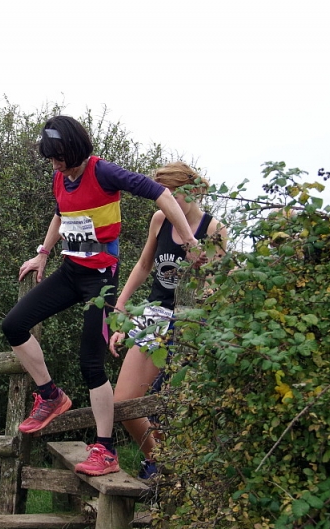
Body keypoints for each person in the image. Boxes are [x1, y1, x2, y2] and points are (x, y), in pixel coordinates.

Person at [1, 116, 201, 476]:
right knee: (13, 325)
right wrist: (43, 253)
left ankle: (106, 450)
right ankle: (51, 395)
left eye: (58, 158)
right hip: (71, 272)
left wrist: (188, 239)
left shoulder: (104, 172)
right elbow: (61, 215)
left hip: (101, 280)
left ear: (74, 149)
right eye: (50, 159)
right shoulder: (61, 177)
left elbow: (162, 195)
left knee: (90, 364)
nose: (54, 165)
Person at [110, 161, 227, 480]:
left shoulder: (214, 229)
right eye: (163, 196)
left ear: (193, 190)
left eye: (174, 195)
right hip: (154, 315)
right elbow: (144, 264)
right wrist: (121, 305)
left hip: (190, 322)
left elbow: (216, 285)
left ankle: (168, 471)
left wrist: (201, 269)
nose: (168, 203)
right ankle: (162, 462)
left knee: (168, 406)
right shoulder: (160, 219)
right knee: (124, 403)